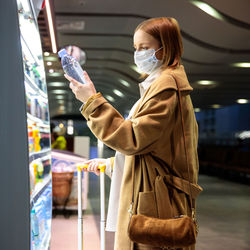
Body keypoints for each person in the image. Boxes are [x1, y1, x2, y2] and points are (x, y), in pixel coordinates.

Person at [64, 17, 202, 250]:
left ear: (164, 48)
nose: (138, 54)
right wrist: (110, 163)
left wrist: (91, 102)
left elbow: (132, 139)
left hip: (157, 205)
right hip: (156, 198)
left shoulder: (167, 86)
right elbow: (150, 147)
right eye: (136, 48)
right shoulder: (160, 83)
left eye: (144, 48)